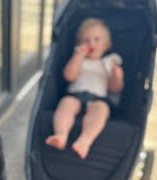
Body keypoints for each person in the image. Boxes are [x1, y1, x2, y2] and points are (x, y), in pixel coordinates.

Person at [45, 18, 124, 159]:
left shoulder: (109, 63)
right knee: (66, 104)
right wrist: (78, 56)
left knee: (101, 110)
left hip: (98, 98)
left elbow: (115, 89)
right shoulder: (78, 60)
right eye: (86, 40)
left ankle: (85, 140)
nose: (91, 43)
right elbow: (69, 76)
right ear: (78, 44)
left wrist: (116, 76)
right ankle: (61, 134)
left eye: (96, 39)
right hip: (75, 95)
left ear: (106, 45)